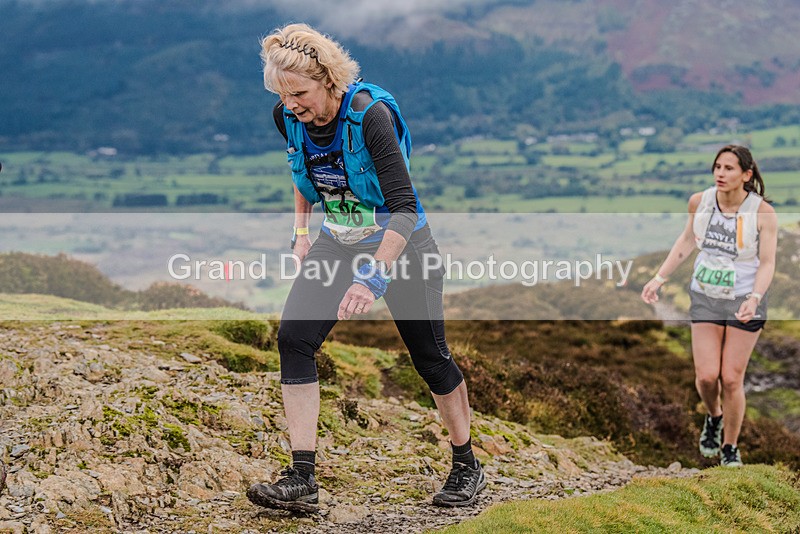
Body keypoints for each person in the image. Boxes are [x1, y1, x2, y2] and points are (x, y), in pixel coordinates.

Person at [246, 23, 485, 512]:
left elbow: (403, 205)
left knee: (430, 357)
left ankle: (466, 464)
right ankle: (302, 478)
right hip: (340, 241)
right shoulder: (287, 116)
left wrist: (374, 275)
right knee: (293, 337)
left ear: (329, 80)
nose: (292, 104)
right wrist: (300, 232)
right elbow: (302, 168)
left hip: (403, 244)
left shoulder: (370, 116)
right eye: (283, 94)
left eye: (300, 93)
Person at [641, 145, 777, 467]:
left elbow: (768, 263)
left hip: (745, 300)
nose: (720, 173)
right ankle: (714, 417)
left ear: (746, 175)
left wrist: (755, 297)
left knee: (731, 378)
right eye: (717, 166)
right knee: (706, 377)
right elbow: (688, 240)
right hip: (705, 295)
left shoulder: (761, 212)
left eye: (729, 168)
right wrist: (659, 278)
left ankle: (730, 448)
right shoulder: (699, 202)